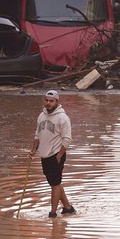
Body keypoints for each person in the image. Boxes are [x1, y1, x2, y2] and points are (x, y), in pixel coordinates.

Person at [29, 90, 74, 218]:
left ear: (56, 102)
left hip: (56, 154)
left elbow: (67, 139)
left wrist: (59, 155)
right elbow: (37, 135)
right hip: (44, 154)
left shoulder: (63, 118)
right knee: (56, 182)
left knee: (54, 184)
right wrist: (33, 150)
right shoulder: (41, 116)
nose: (48, 103)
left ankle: (53, 213)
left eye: (51, 101)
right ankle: (67, 207)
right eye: (46, 100)